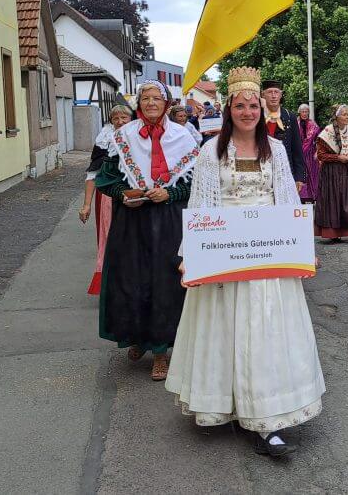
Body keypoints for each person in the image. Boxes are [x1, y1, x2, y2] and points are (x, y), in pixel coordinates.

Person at [165, 67, 325, 457]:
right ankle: (226, 401)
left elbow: (288, 203)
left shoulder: (278, 151)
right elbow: (200, 206)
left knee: (265, 330)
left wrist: (300, 250)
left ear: (262, 108)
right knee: (225, 329)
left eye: (253, 104)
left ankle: (267, 417)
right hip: (225, 256)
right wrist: (191, 257)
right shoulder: (209, 152)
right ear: (228, 108)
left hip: (267, 256)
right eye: (240, 105)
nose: (248, 111)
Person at [94, 80, 200, 382]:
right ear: (138, 103)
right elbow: (105, 178)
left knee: (166, 282)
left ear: (166, 104)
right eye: (146, 98)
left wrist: (171, 194)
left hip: (169, 220)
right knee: (133, 279)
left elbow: (196, 184)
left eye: (157, 98)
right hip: (134, 221)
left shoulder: (183, 137)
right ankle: (138, 336)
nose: (151, 102)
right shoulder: (122, 137)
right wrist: (124, 193)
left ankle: (161, 351)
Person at [80, 105, 134, 295]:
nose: (120, 122)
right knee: (111, 237)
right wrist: (86, 205)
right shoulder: (104, 140)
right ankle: (112, 284)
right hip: (109, 197)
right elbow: (93, 174)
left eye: (124, 118)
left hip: (136, 194)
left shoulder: (139, 135)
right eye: (116, 118)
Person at [315, 104, 348, 245]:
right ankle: (334, 233)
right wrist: (338, 158)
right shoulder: (327, 133)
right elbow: (321, 155)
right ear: (337, 116)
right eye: (344, 114)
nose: (347, 116)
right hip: (332, 172)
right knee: (334, 201)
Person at [261, 80, 306, 190]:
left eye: (276, 92)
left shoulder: (290, 117)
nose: (273, 96)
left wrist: (299, 177)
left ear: (281, 95)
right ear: (263, 95)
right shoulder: (256, 116)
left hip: (285, 170)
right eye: (269, 92)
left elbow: (297, 148)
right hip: (262, 170)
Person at [297, 103, 322, 203]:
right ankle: (300, 196)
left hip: (310, 154)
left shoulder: (313, 124)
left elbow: (319, 139)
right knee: (300, 175)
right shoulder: (295, 123)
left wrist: (318, 151)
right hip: (298, 152)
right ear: (299, 112)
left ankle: (312, 196)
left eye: (306, 111)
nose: (304, 113)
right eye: (303, 111)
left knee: (312, 175)